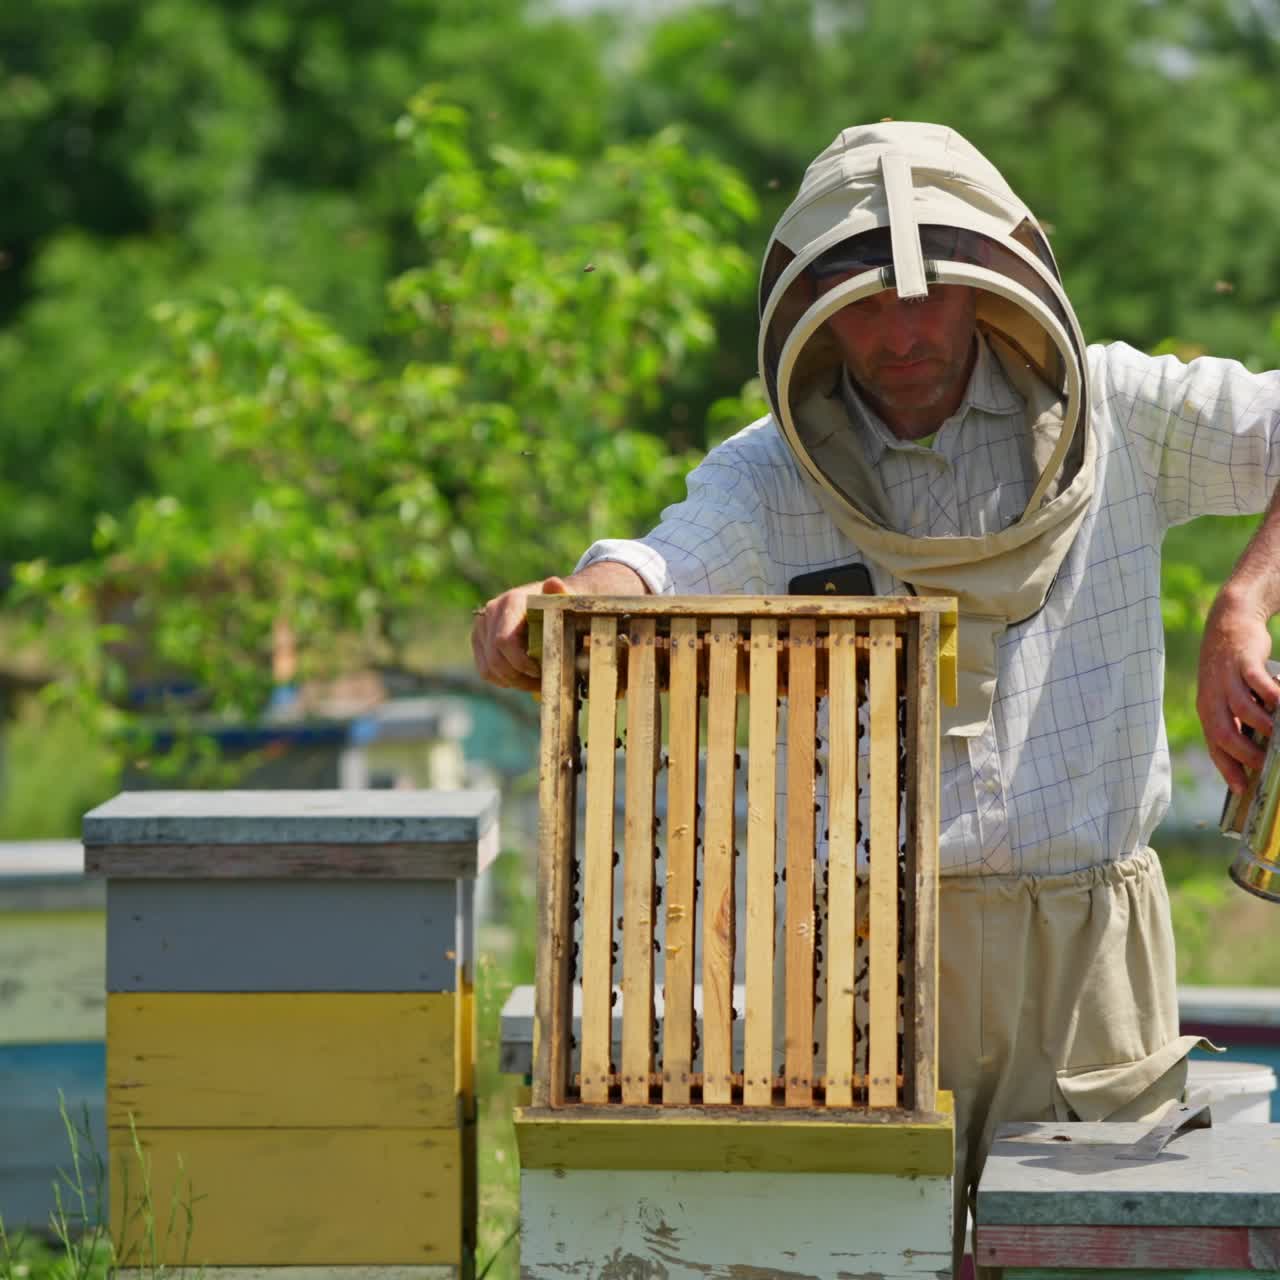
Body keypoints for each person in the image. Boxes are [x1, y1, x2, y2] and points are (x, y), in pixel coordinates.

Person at [472, 121, 1280, 1274]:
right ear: (806, 306)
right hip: (855, 954)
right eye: (861, 303)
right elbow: (659, 560)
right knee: (848, 1254)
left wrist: (1241, 603)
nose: (900, 335)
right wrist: (557, 604)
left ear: (987, 285)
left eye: (927, 296)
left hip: (1086, 947)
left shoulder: (1124, 408)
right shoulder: (769, 468)